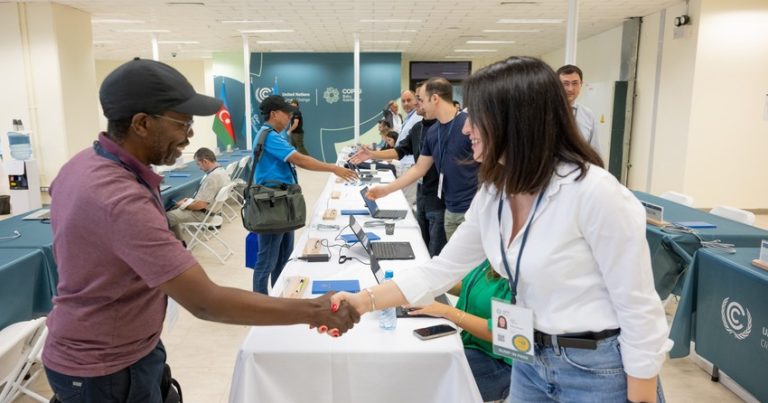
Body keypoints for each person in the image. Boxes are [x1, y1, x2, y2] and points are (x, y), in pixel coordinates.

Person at [332, 57, 671, 403]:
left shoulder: (595, 193)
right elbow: (442, 269)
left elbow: (639, 305)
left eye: (476, 118)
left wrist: (641, 393)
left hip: (596, 368)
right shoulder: (494, 193)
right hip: (527, 357)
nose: (466, 130)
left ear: (516, 121)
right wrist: (361, 302)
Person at [43, 58, 359, 403]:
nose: (190, 136)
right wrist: (314, 311)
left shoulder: (81, 165)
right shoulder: (118, 198)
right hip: (106, 371)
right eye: (183, 124)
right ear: (142, 123)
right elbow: (205, 302)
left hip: (122, 351)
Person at [251, 94, 357, 294]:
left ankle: (279, 295)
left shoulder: (273, 134)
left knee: (283, 257)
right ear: (274, 114)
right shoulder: (270, 136)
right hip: (273, 204)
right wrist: (333, 168)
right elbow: (301, 160)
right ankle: (261, 304)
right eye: (286, 113)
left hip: (282, 201)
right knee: (267, 260)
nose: (290, 117)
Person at [366, 77, 478, 240]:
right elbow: (419, 169)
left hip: (473, 211)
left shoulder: (469, 125)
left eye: (422, 100)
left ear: (435, 99)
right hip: (450, 210)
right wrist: (385, 190)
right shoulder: (433, 132)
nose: (420, 104)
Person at [349, 83, 446, 256]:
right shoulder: (418, 128)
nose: (415, 103)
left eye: (419, 99)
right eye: (414, 99)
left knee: (435, 252)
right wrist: (372, 154)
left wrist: (386, 189)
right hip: (423, 192)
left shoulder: (442, 129)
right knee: (423, 243)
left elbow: (420, 169)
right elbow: (399, 151)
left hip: (440, 199)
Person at [408, 260, 511, 401]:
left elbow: (504, 334)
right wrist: (429, 284)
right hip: (473, 345)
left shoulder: (519, 275)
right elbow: (470, 288)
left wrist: (448, 312)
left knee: (426, 383)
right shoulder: (490, 260)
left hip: (501, 363)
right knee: (419, 362)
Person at [166, 147, 230, 240]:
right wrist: (189, 202)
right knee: (173, 211)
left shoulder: (212, 177)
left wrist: (184, 205)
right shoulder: (222, 171)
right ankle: (179, 243)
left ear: (205, 161)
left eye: (198, 164)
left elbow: (200, 205)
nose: (199, 168)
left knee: (166, 216)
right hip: (211, 211)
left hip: (201, 215)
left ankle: (178, 245)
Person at [557, 64, 602, 154]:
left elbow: (594, 150)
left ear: (581, 84)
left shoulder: (588, 115)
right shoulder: (545, 112)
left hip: (581, 167)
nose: (570, 89)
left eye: (575, 83)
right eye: (565, 84)